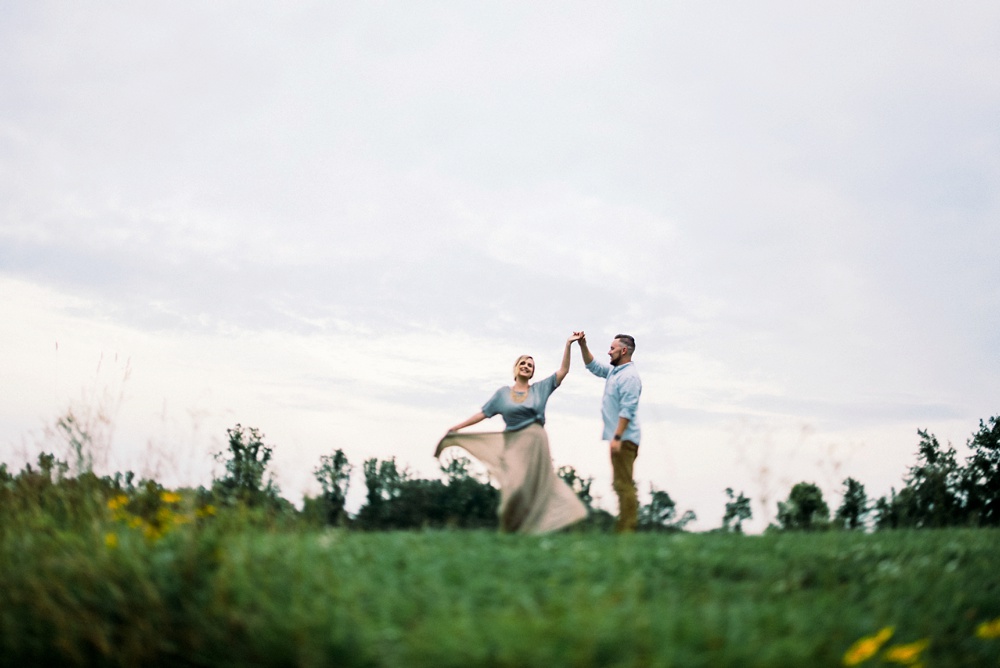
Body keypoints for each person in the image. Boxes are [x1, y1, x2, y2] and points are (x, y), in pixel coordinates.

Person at [434, 335, 588, 534]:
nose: (526, 366)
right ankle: (508, 530)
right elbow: (483, 413)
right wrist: (457, 427)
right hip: (513, 443)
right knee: (514, 488)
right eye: (522, 363)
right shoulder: (502, 394)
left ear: (532, 372)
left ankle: (528, 531)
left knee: (536, 489)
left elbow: (563, 371)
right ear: (516, 369)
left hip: (535, 443)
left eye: (530, 365)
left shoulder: (540, 389)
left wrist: (568, 345)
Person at [577, 332, 642, 533]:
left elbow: (628, 409)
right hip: (619, 438)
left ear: (623, 351)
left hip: (625, 439)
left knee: (624, 483)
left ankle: (627, 530)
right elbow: (593, 366)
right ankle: (625, 527)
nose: (609, 351)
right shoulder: (616, 372)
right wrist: (582, 344)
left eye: (612, 348)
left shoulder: (629, 376)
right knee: (620, 482)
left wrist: (617, 437)